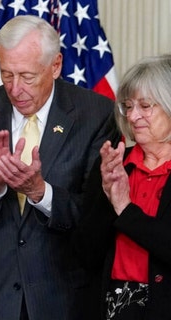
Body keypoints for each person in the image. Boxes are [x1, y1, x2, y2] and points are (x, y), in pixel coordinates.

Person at [0, 15, 120, 320]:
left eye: (27, 76)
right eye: (7, 74)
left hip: (64, 300)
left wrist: (40, 192)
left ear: (56, 65)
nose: (15, 88)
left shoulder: (96, 114)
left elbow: (98, 221)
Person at [74, 55, 171, 320]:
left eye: (145, 105)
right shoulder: (114, 163)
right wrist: (107, 196)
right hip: (110, 305)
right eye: (128, 106)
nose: (133, 115)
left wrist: (125, 209)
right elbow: (86, 254)